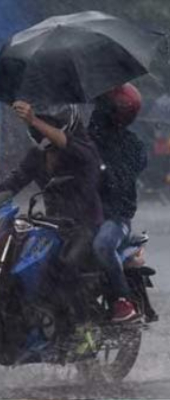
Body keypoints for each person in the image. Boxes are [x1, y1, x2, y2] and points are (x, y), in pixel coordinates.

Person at [0, 101, 103, 322]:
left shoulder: (84, 150)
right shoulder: (37, 155)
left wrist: (33, 119)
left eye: (46, 124)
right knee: (14, 257)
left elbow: (67, 143)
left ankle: (81, 327)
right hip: (51, 225)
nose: (39, 127)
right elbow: (13, 183)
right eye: (37, 123)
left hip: (83, 226)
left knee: (66, 263)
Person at [89, 84, 147, 323]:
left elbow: (127, 174)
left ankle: (123, 301)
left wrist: (105, 173)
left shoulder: (132, 145)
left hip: (115, 218)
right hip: (81, 213)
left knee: (103, 245)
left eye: (106, 107)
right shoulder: (86, 137)